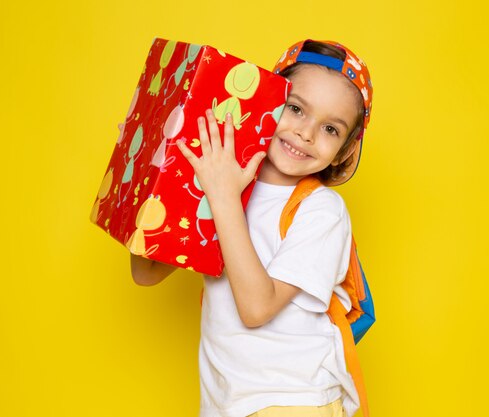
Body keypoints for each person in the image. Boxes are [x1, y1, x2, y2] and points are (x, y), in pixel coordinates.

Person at [130, 39, 373, 417]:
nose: (306, 133)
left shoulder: (322, 211)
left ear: (343, 151)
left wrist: (223, 196)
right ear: (268, 102)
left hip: (295, 401)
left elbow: (257, 308)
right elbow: (145, 271)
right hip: (226, 404)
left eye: (329, 128)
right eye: (295, 108)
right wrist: (153, 161)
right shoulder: (225, 182)